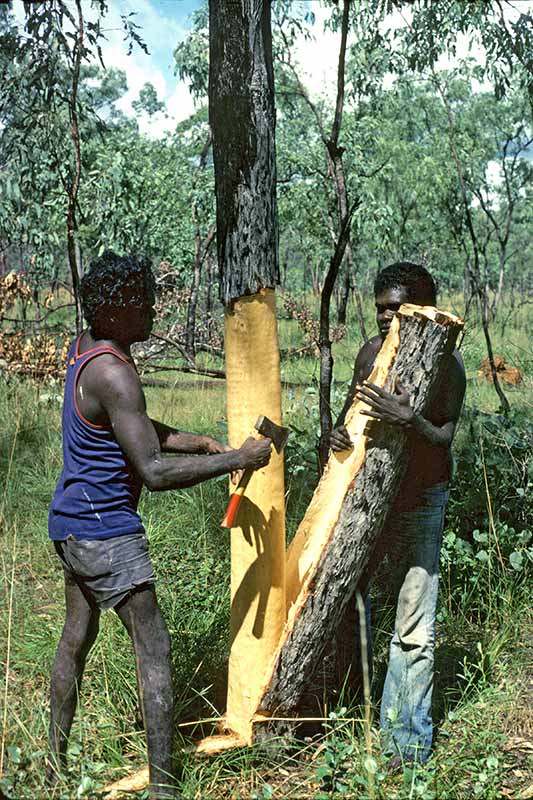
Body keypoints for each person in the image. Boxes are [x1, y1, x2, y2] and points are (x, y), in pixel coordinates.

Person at [47, 251, 272, 799]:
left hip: (70, 525)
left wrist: (195, 440)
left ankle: (49, 765)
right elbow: (151, 471)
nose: (152, 308)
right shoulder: (117, 373)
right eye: (142, 301)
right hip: (106, 533)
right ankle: (165, 787)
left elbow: (128, 428)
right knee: (154, 647)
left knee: (75, 638)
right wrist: (236, 459)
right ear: (118, 310)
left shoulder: (87, 351)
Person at [330, 261, 466, 768]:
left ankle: (406, 745)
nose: (386, 318)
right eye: (380, 309)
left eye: (397, 309)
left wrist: (411, 420)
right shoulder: (371, 354)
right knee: (350, 602)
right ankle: (346, 708)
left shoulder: (446, 367)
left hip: (423, 497)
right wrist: (338, 436)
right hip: (373, 497)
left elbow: (444, 441)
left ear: (423, 310)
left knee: (414, 622)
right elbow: (350, 417)